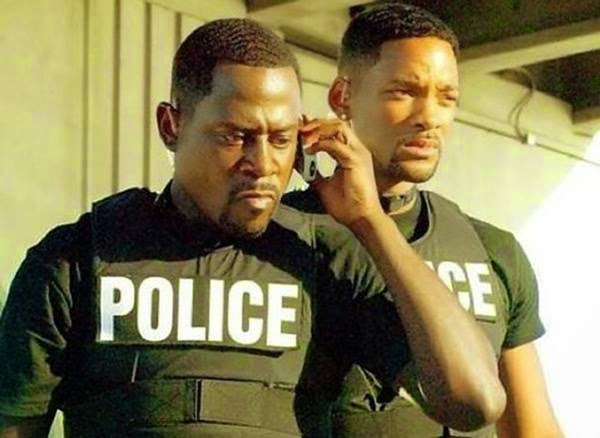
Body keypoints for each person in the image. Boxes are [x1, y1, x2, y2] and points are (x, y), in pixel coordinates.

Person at [0, 17, 504, 437]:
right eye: (235, 136)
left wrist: (370, 220)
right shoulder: (75, 261)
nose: (262, 164)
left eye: (282, 139)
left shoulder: (326, 258)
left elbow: (474, 401)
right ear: (171, 126)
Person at [285, 3, 563, 437]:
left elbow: (533, 430)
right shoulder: (280, 236)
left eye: (446, 97)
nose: (430, 117)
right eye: (403, 92)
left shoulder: (493, 251)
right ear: (342, 97)